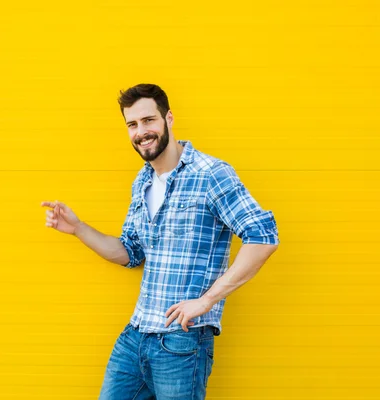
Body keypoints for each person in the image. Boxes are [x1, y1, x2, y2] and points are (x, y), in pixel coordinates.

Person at [40, 83, 279, 400]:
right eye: (132, 124)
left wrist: (207, 301)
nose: (141, 131)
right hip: (136, 335)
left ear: (168, 119)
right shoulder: (142, 181)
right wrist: (79, 228)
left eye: (148, 120)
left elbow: (263, 237)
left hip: (182, 341)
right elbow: (130, 253)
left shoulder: (211, 174)